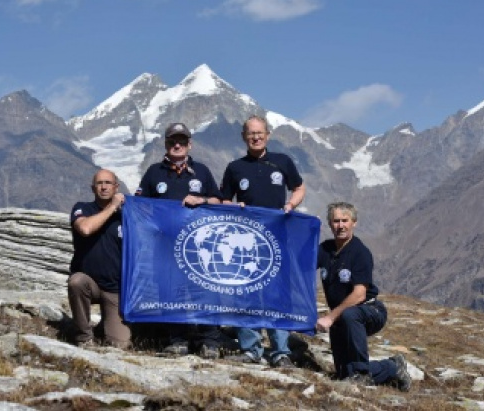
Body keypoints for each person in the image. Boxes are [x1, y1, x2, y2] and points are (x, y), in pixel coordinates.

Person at [221, 115, 306, 368]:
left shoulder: (282, 161)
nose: (255, 137)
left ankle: (281, 352)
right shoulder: (235, 167)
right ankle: (250, 349)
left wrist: (290, 204)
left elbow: (299, 188)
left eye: (260, 133)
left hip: (276, 239)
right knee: (245, 292)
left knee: (277, 294)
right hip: (244, 241)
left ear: (268, 135)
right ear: (244, 137)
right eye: (250, 134)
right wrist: (236, 207)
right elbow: (223, 200)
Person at [135, 122, 223, 358]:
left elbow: (219, 202)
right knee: (170, 290)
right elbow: (140, 206)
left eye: (182, 141)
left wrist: (202, 200)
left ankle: (210, 341)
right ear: (165, 144)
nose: (177, 145)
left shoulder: (202, 171)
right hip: (165, 246)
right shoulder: (154, 172)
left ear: (189, 144)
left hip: (199, 246)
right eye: (173, 141)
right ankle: (177, 340)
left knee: (205, 290)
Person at [316, 202, 411, 391]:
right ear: (329, 224)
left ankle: (361, 373)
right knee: (344, 373)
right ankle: (393, 367)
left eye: (345, 220)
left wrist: (330, 317)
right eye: (336, 221)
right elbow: (301, 264)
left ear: (354, 223)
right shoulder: (325, 249)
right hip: (341, 316)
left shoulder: (360, 253)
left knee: (351, 315)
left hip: (369, 311)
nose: (340, 225)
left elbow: (359, 294)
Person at [68, 169, 130, 349]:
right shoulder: (82, 208)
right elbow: (85, 229)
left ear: (116, 187)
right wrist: (112, 207)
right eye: (99, 183)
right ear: (93, 188)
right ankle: (84, 337)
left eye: (108, 183)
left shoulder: (126, 216)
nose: (104, 187)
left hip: (115, 288)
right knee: (76, 282)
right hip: (90, 283)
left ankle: (105, 325)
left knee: (120, 344)